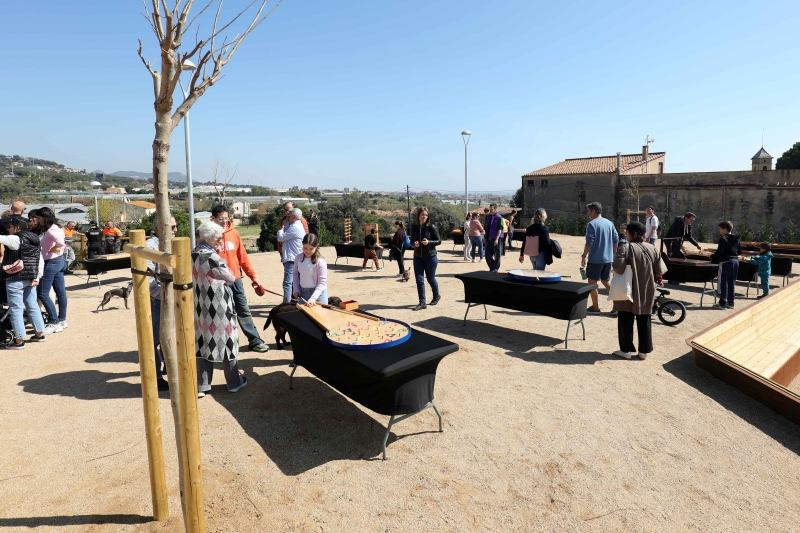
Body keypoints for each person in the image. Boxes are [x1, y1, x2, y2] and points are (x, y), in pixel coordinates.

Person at [193, 221, 247, 397]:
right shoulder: (212, 256)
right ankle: (233, 382)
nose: (221, 241)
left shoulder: (193, 253)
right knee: (227, 341)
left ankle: (202, 386)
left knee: (203, 341)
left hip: (201, 304)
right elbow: (230, 277)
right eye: (218, 238)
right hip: (219, 305)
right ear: (208, 238)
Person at [210, 206, 270, 353]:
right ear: (213, 219)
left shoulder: (234, 233)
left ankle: (254, 340)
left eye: (226, 218)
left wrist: (254, 277)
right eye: (220, 219)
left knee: (243, 309)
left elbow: (243, 258)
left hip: (235, 280)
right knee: (219, 313)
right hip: (217, 283)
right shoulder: (208, 235)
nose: (224, 221)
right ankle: (220, 345)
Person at [611, 222, 664, 360]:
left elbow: (618, 268)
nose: (625, 235)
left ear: (633, 234)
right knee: (645, 318)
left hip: (627, 289)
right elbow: (660, 271)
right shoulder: (652, 248)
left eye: (627, 233)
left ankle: (626, 351)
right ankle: (643, 352)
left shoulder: (625, 248)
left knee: (625, 319)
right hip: (646, 288)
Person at [0, 216, 46, 349]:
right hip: (30, 277)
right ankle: (39, 333)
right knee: (32, 305)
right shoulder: (34, 238)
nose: (7, 229)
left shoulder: (15, 239)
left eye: (9, 227)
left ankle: (19, 340)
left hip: (15, 279)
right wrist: (37, 277)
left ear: (17, 228)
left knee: (16, 309)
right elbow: (40, 259)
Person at [146, 216, 175, 391]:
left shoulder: (169, 244)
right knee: (155, 340)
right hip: (158, 301)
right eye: (172, 226)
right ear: (159, 228)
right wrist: (163, 296)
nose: (176, 230)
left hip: (169, 299)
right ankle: (155, 377)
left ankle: (167, 367)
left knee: (167, 337)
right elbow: (147, 279)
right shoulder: (150, 247)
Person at [33, 208, 68, 333]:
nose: (37, 220)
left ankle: (54, 322)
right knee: (61, 292)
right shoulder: (57, 227)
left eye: (39, 218)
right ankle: (62, 319)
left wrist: (51, 250)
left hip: (51, 262)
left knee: (42, 293)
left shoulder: (52, 230)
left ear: (44, 218)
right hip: (58, 261)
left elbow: (61, 243)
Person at [581, 202, 619, 313]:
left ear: (593, 211)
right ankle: (617, 305)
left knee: (592, 283)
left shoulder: (592, 224)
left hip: (595, 259)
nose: (588, 213)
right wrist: (614, 254)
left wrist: (584, 255)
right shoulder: (610, 223)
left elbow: (589, 242)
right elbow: (616, 239)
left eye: (589, 211)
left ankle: (595, 307)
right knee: (606, 281)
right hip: (608, 258)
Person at [410, 207, 441, 310]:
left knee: (430, 279)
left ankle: (436, 295)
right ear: (418, 215)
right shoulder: (414, 227)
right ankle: (422, 302)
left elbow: (438, 241)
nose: (424, 217)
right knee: (419, 280)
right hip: (418, 257)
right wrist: (414, 244)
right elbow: (411, 242)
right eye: (422, 214)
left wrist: (429, 242)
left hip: (430, 257)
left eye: (426, 215)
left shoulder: (431, 227)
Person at [710, 221, 742, 309]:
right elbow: (740, 251)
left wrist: (712, 257)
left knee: (723, 282)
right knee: (732, 282)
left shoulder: (723, 238)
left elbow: (720, 251)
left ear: (725, 229)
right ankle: (731, 302)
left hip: (725, 262)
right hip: (735, 262)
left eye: (720, 229)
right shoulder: (736, 238)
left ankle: (722, 303)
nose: (719, 231)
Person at [277, 207, 306, 303]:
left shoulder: (295, 227)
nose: (287, 218)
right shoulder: (296, 225)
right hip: (295, 257)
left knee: (287, 283)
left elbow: (280, 238)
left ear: (294, 217)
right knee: (295, 282)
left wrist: (281, 228)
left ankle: (286, 304)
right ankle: (295, 302)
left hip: (291, 259)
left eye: (289, 216)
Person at [292, 233, 329, 306]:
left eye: (311, 249)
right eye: (305, 248)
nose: (308, 251)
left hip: (318, 295)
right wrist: (296, 289)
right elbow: (295, 273)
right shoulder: (298, 258)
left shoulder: (321, 262)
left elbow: (321, 283)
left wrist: (313, 298)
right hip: (302, 293)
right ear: (302, 245)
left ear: (316, 246)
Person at [484, 203, 505, 272]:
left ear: (495, 209)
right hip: (489, 239)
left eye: (491, 209)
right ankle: (492, 267)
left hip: (497, 239)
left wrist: (497, 239)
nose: (490, 210)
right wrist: (485, 237)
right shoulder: (489, 217)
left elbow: (500, 229)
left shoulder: (499, 217)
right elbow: (487, 228)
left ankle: (495, 269)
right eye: (490, 209)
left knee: (497, 255)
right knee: (487, 254)